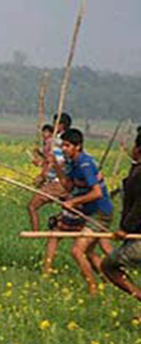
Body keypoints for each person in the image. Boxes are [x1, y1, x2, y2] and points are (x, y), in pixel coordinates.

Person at [51, 128, 114, 296]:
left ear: (77, 146)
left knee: (76, 251)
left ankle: (92, 288)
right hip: (90, 213)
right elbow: (68, 186)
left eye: (67, 145)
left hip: (100, 213)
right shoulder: (72, 163)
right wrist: (55, 165)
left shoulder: (85, 164)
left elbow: (97, 193)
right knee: (89, 253)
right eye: (63, 145)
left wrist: (73, 202)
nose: (64, 148)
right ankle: (111, 281)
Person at [100, 131, 141, 318]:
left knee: (109, 266)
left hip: (137, 237)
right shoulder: (136, 169)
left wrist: (126, 229)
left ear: (138, 149)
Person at [28, 115, 72, 231]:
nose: (53, 126)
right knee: (70, 209)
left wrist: (42, 176)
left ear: (61, 125)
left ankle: (35, 234)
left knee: (32, 207)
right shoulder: (69, 140)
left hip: (57, 183)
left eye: (55, 123)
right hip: (65, 182)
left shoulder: (59, 141)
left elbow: (58, 162)